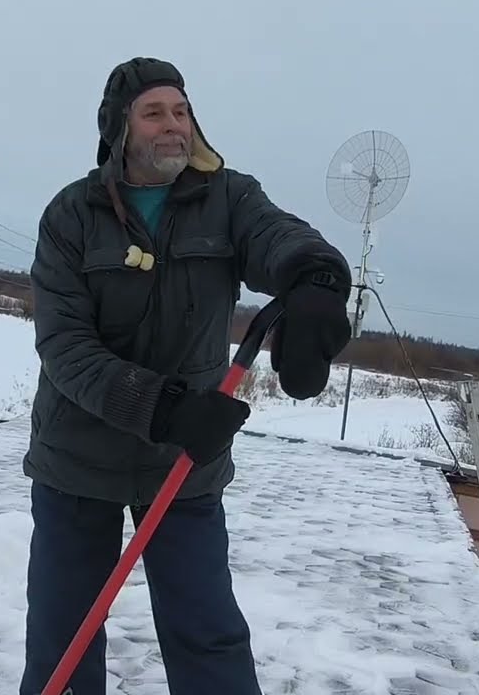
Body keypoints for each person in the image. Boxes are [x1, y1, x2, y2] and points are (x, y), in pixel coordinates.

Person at [19, 56, 353, 695]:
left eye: (182, 111)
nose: (174, 125)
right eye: (154, 112)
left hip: (185, 462)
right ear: (119, 129)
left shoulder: (227, 197)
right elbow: (65, 348)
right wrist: (163, 407)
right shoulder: (71, 215)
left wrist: (316, 277)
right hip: (79, 459)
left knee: (208, 632)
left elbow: (277, 235)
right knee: (66, 634)